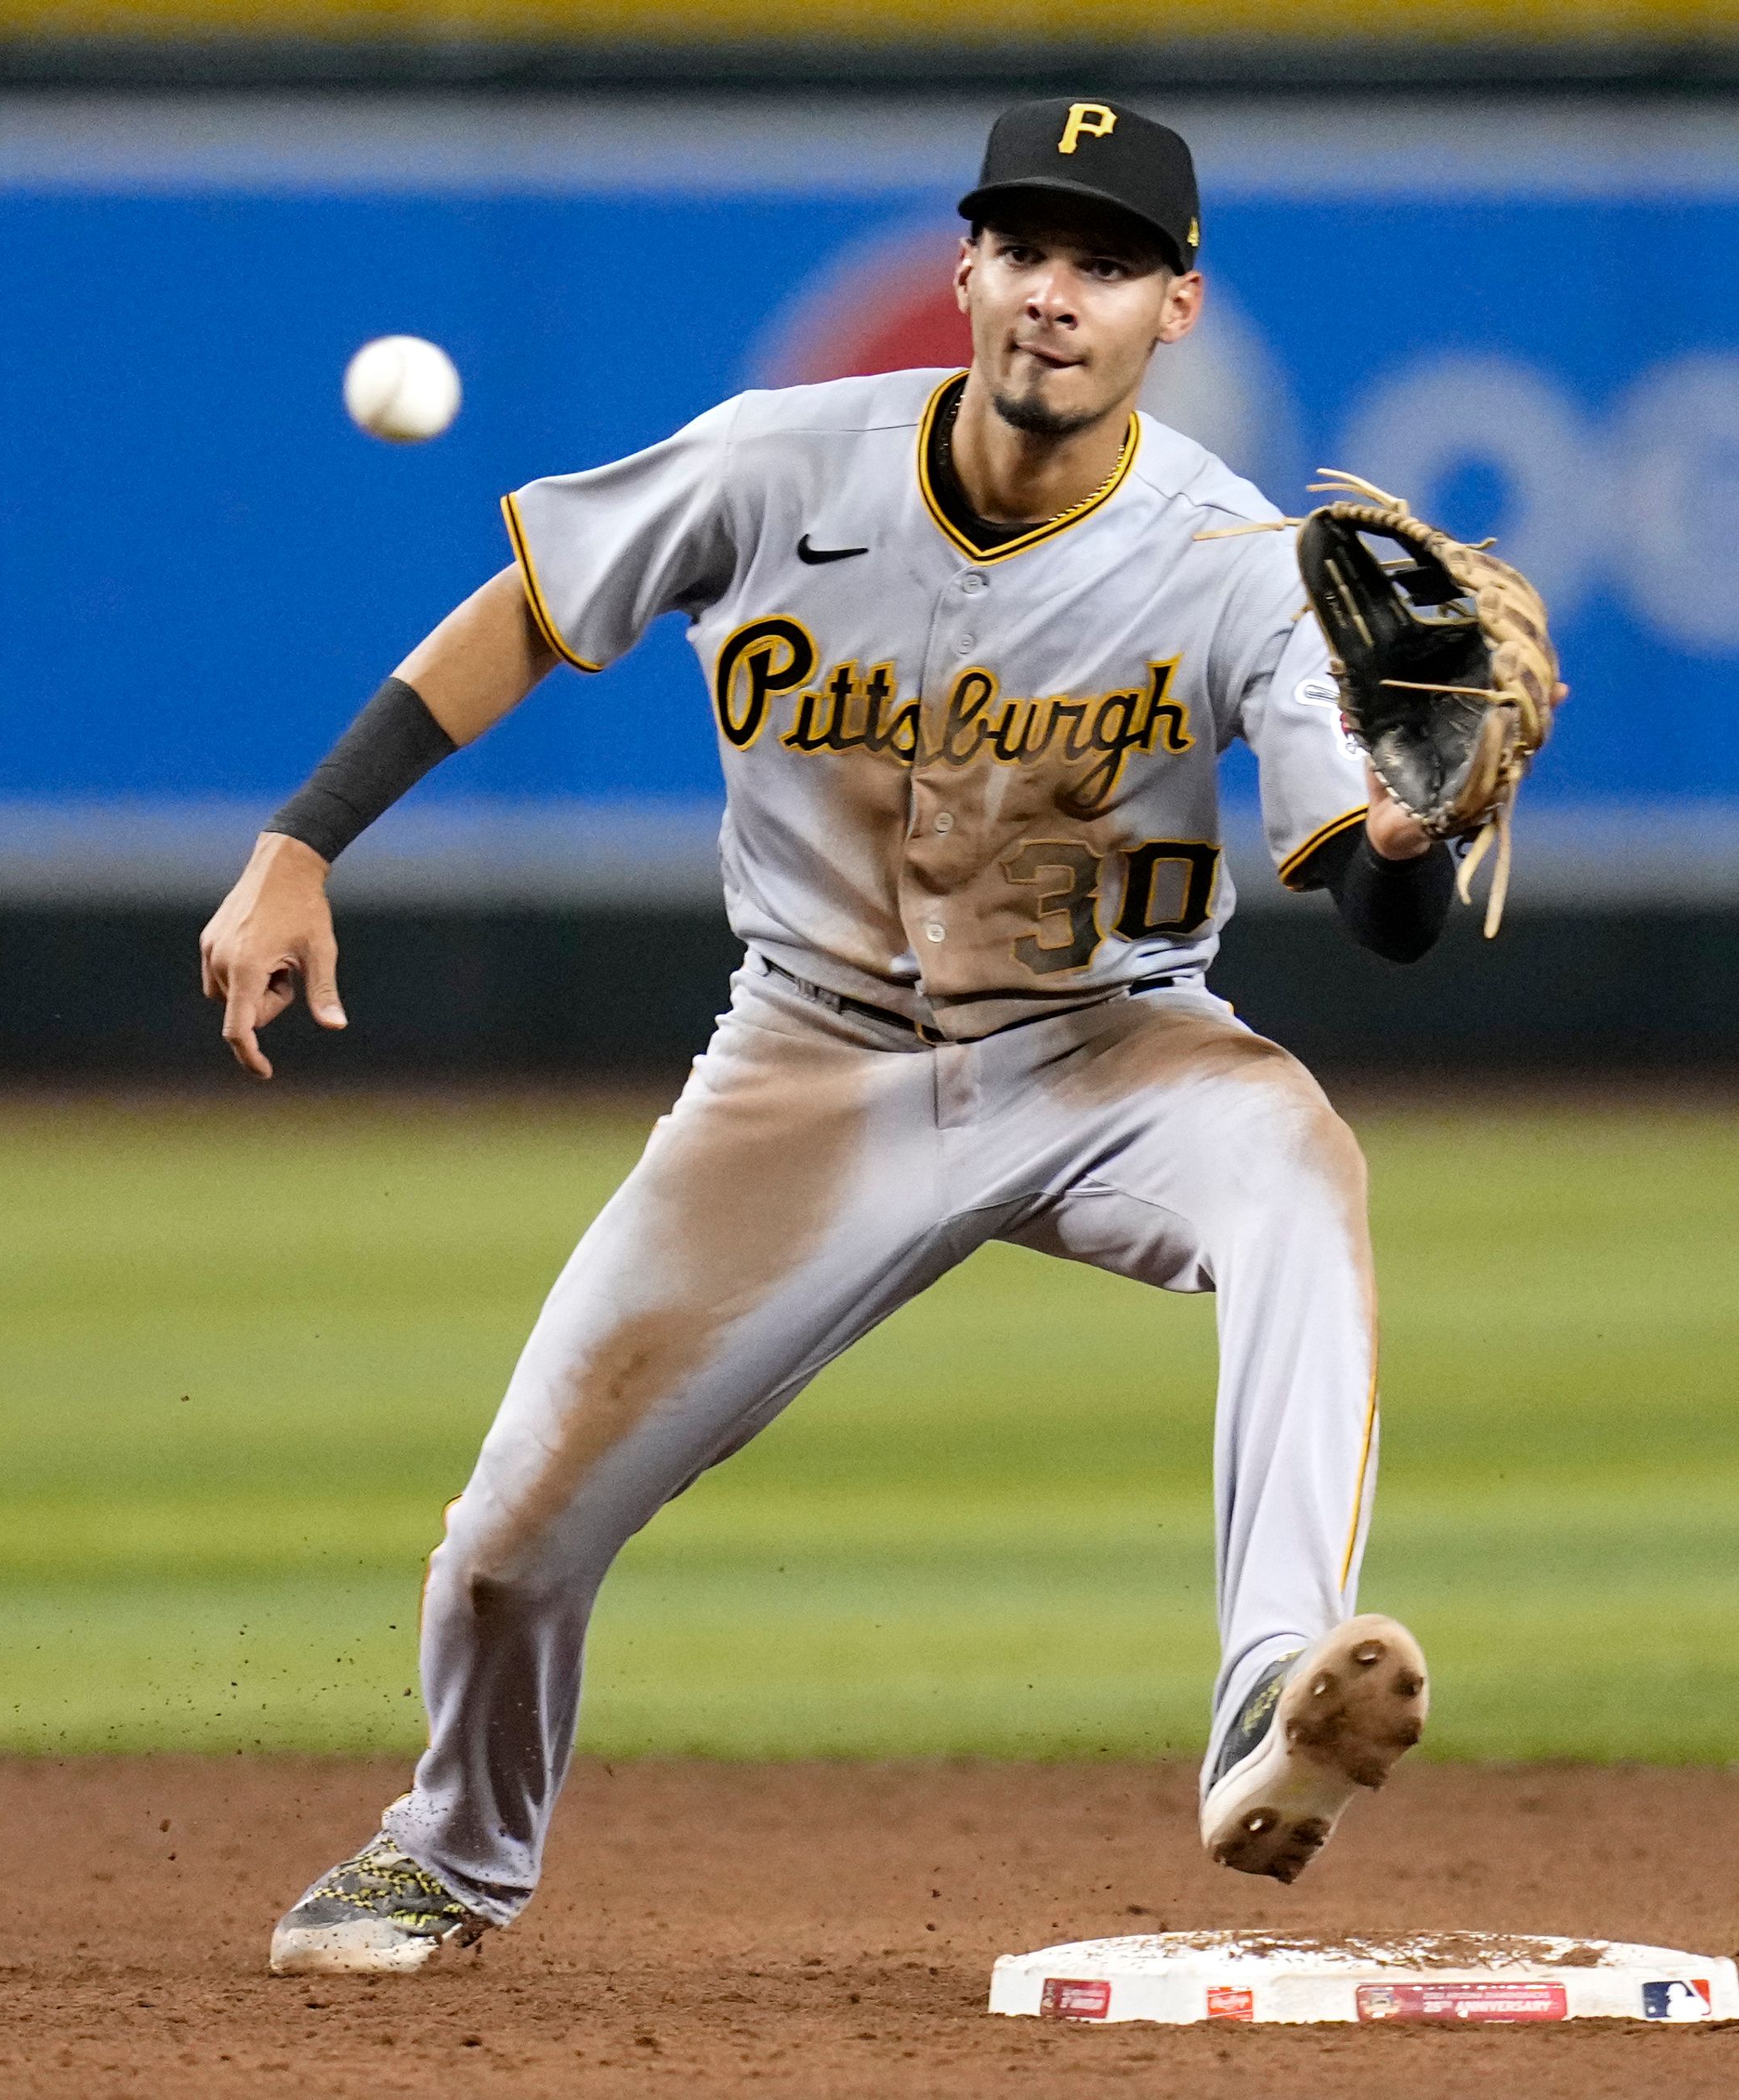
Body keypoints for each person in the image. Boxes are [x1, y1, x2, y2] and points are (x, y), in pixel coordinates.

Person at [203, 97, 1472, 1976]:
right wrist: (302, 840)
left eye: (1106, 266)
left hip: (1111, 1054)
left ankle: (1276, 1689)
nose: (1058, 296)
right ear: (965, 269)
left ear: (1176, 307)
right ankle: (448, 1851)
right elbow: (538, 612)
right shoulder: (782, 462)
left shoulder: (1234, 558)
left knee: (1298, 1170)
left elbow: (1374, 912)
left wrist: (1409, 827)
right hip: (807, 1062)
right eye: (1027, 251)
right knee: (504, 1547)